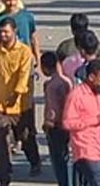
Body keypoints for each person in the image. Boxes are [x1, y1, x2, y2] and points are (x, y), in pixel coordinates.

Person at [0, 18, 41, 183]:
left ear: (14, 32)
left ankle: (34, 162)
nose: (3, 35)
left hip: (20, 105)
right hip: (0, 104)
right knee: (2, 143)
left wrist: (16, 95)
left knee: (25, 137)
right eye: (1, 32)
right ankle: (4, 176)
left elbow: (23, 75)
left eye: (6, 32)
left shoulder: (25, 51)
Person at [63, 59, 100, 186]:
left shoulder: (97, 93)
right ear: (91, 77)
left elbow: (96, 116)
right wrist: (96, 120)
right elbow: (68, 122)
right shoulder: (77, 95)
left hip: (98, 147)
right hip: (85, 149)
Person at [41, 52, 72, 186]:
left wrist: (48, 123)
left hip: (55, 126)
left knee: (58, 160)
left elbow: (52, 108)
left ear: (44, 68)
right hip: (66, 123)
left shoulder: (51, 85)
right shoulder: (66, 81)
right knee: (65, 157)